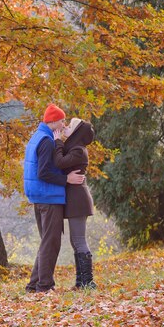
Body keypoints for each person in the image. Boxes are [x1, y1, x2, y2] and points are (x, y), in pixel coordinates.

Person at [24, 104, 85, 293]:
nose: (63, 123)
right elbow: (43, 172)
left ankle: (34, 284)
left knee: (46, 242)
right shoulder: (47, 141)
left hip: (39, 196)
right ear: (52, 122)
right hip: (48, 197)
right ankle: (45, 286)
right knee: (51, 243)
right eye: (61, 120)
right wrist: (66, 179)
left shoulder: (37, 136)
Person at [53, 118, 97, 289]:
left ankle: (88, 281)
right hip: (75, 200)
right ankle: (81, 282)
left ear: (77, 132)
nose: (65, 127)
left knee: (79, 240)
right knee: (75, 241)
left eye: (70, 126)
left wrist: (57, 141)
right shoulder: (74, 148)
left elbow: (60, 162)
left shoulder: (78, 150)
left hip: (78, 201)